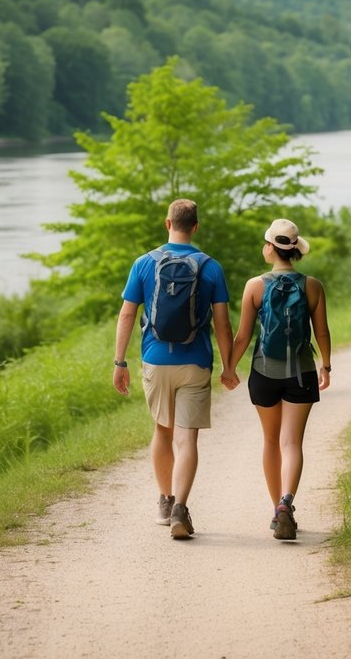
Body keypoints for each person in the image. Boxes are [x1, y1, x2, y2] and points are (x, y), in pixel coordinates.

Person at [112, 198, 239, 540]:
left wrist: (120, 362)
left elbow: (126, 315)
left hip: (156, 360)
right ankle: (182, 508)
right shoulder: (210, 267)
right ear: (195, 226)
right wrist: (229, 366)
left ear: (168, 224)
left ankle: (165, 502)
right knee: (187, 438)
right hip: (195, 362)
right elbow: (224, 325)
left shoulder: (143, 263)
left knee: (162, 432)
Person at [228, 219, 332, 540]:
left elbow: (244, 335)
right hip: (301, 373)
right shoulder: (312, 286)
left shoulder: (254, 286)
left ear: (270, 248)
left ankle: (277, 510)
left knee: (271, 442)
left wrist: (229, 368)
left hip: (264, 372)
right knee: (292, 443)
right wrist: (325, 365)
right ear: (295, 251)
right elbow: (322, 332)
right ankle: (288, 503)